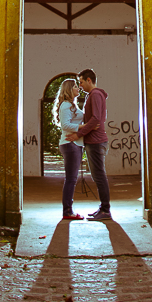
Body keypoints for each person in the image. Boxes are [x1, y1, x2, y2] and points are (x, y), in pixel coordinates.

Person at [72, 68, 110, 219]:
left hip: (95, 141)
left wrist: (79, 133)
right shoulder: (95, 95)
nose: (80, 86)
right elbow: (97, 119)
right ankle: (103, 208)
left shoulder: (94, 94)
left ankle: (106, 210)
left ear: (89, 80)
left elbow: (95, 118)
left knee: (99, 175)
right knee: (98, 175)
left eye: (81, 82)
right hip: (95, 140)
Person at [53, 78, 85, 220]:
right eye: (76, 87)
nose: (79, 89)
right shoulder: (66, 105)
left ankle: (68, 210)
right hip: (70, 144)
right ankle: (67, 211)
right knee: (71, 179)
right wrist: (84, 127)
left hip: (74, 144)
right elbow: (65, 125)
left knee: (71, 178)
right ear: (69, 89)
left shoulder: (72, 105)